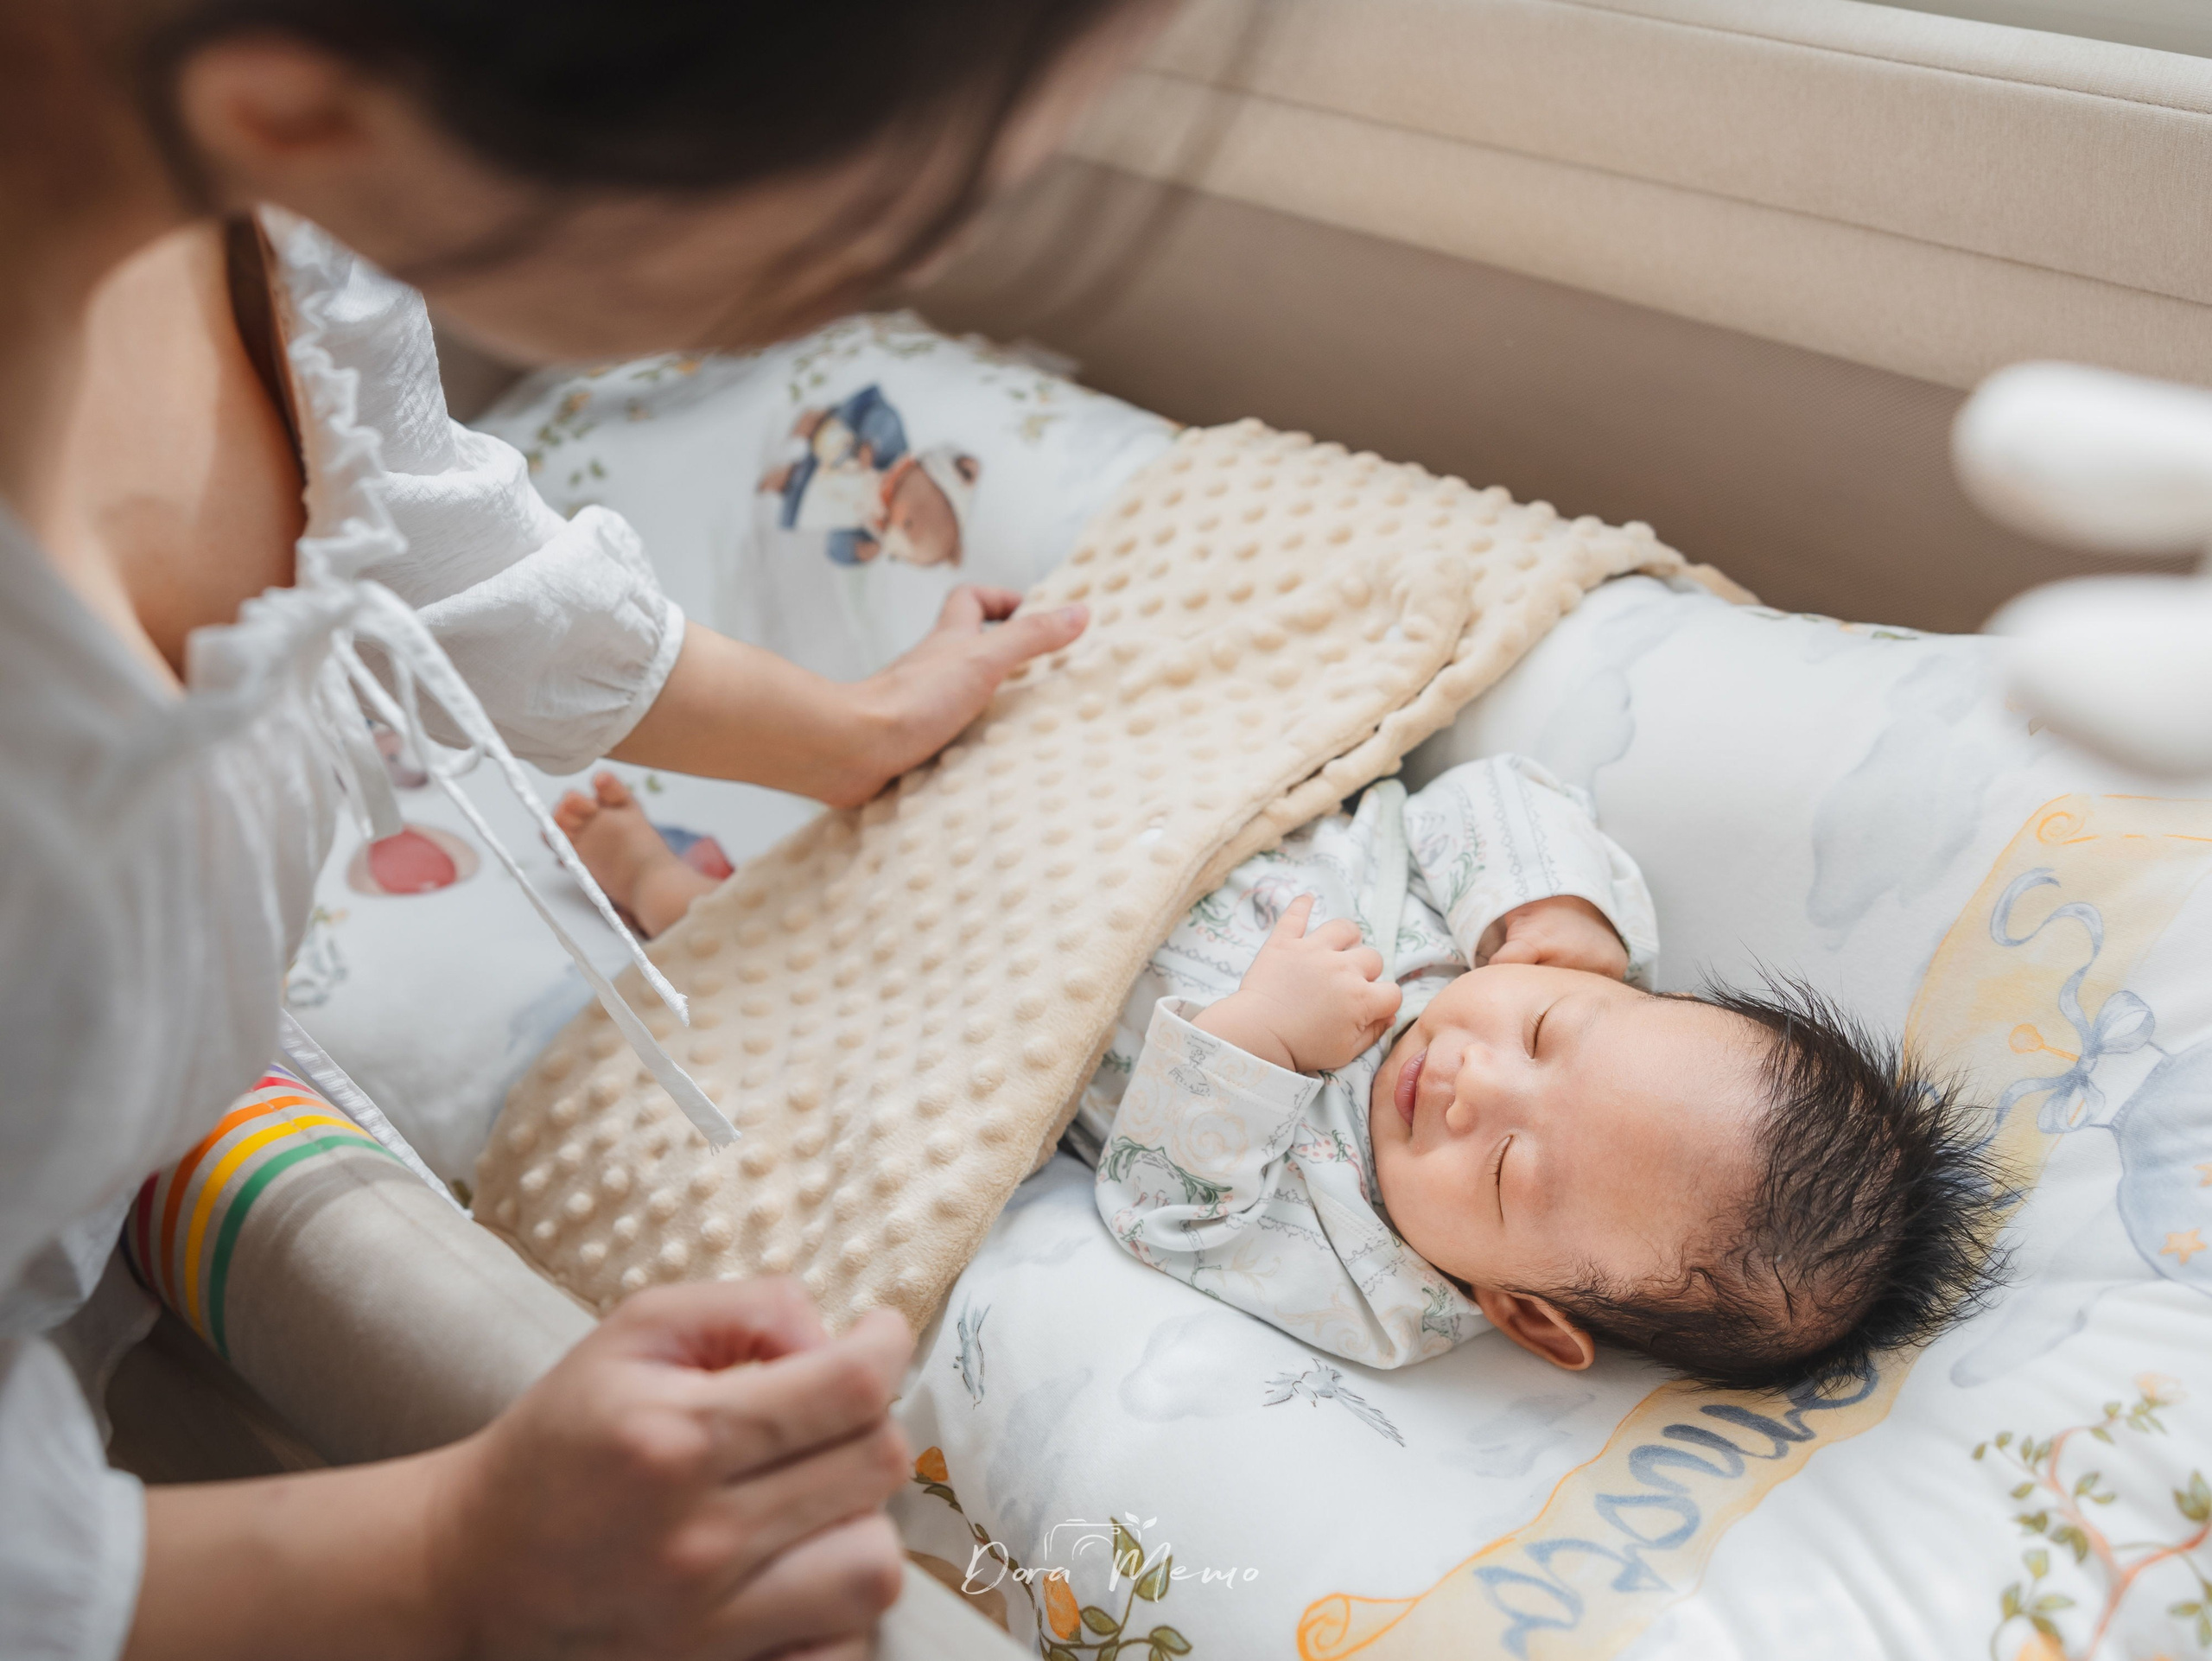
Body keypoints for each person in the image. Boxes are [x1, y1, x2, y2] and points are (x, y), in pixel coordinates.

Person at [0, 3, 1176, 1658]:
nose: (844, 294)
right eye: (848, 229)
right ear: (311, 111)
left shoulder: (235, 175)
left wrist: (849, 734)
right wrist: (441, 1555)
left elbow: (429, 545)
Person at [1078, 757, 2001, 1387]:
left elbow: (1170, 1218)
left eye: (1507, 1168)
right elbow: (1484, 788)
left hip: (1047, 964)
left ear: (1521, 1310)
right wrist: (1551, 901)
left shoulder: (1376, 1281)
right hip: (1169, 787)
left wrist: (1265, 1040)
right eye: (1546, 1030)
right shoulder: (1534, 948)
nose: (1474, 1078)